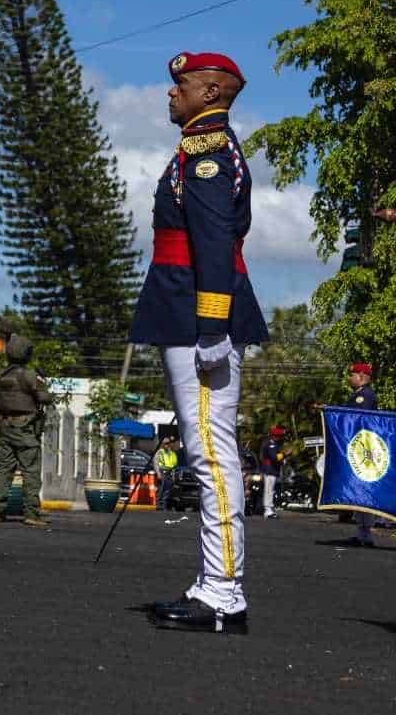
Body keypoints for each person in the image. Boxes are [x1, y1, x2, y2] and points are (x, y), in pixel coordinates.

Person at [130, 51, 268, 634]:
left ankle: (223, 594)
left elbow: (215, 241)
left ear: (211, 91)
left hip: (196, 318)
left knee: (211, 454)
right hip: (184, 311)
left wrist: (213, 326)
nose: (170, 93)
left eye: (180, 84)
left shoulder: (208, 155)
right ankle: (213, 582)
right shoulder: (199, 149)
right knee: (205, 452)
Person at [0, 335, 49, 526]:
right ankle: (32, 514)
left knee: (4, 469)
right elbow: (45, 398)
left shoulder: (1, 376)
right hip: (25, 429)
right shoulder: (29, 375)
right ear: (26, 353)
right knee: (31, 471)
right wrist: (43, 381)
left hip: (5, 428)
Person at [342, 362, 379, 546]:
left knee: (364, 491)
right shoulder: (358, 394)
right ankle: (361, 532)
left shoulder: (365, 396)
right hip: (358, 447)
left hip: (364, 447)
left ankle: (366, 533)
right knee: (359, 491)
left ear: (362, 377)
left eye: (352, 374)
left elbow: (358, 418)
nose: (349, 378)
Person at [258, 426, 286, 520]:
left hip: (271, 470)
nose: (281, 438)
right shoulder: (271, 444)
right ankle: (268, 510)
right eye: (280, 436)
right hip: (270, 470)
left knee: (270, 490)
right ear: (275, 436)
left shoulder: (272, 444)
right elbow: (275, 458)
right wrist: (285, 454)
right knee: (269, 490)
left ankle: (269, 509)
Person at [154, 437, 181, 512]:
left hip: (169, 473)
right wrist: (158, 473)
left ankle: (163, 506)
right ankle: (158, 505)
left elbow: (173, 466)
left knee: (167, 491)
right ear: (162, 444)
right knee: (161, 490)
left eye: (168, 443)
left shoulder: (172, 453)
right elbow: (156, 463)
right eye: (166, 443)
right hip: (162, 472)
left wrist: (173, 476)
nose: (167, 445)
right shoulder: (160, 452)